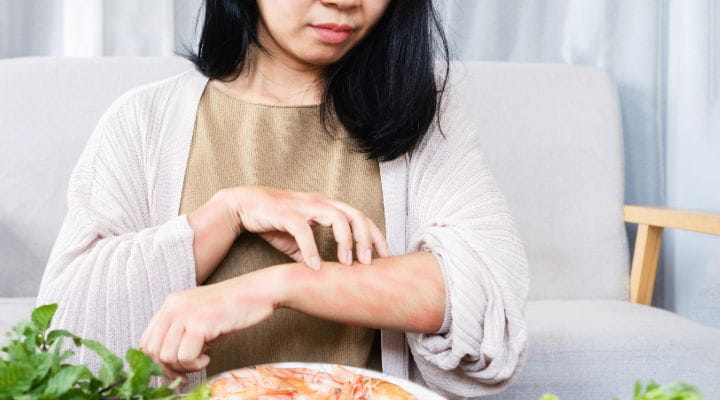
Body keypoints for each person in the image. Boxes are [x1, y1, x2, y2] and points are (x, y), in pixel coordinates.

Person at [35, 0, 530, 398]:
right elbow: (64, 332)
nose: (345, 3)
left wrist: (273, 286)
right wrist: (226, 213)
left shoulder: (425, 109)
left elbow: (482, 297)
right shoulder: (145, 119)